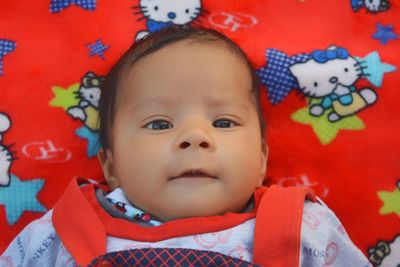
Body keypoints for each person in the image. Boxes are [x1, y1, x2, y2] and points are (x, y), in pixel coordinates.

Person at [1, 26, 371, 267]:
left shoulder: (302, 227)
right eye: (159, 124)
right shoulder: (61, 232)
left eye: (223, 123)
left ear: (261, 159)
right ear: (111, 165)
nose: (195, 137)